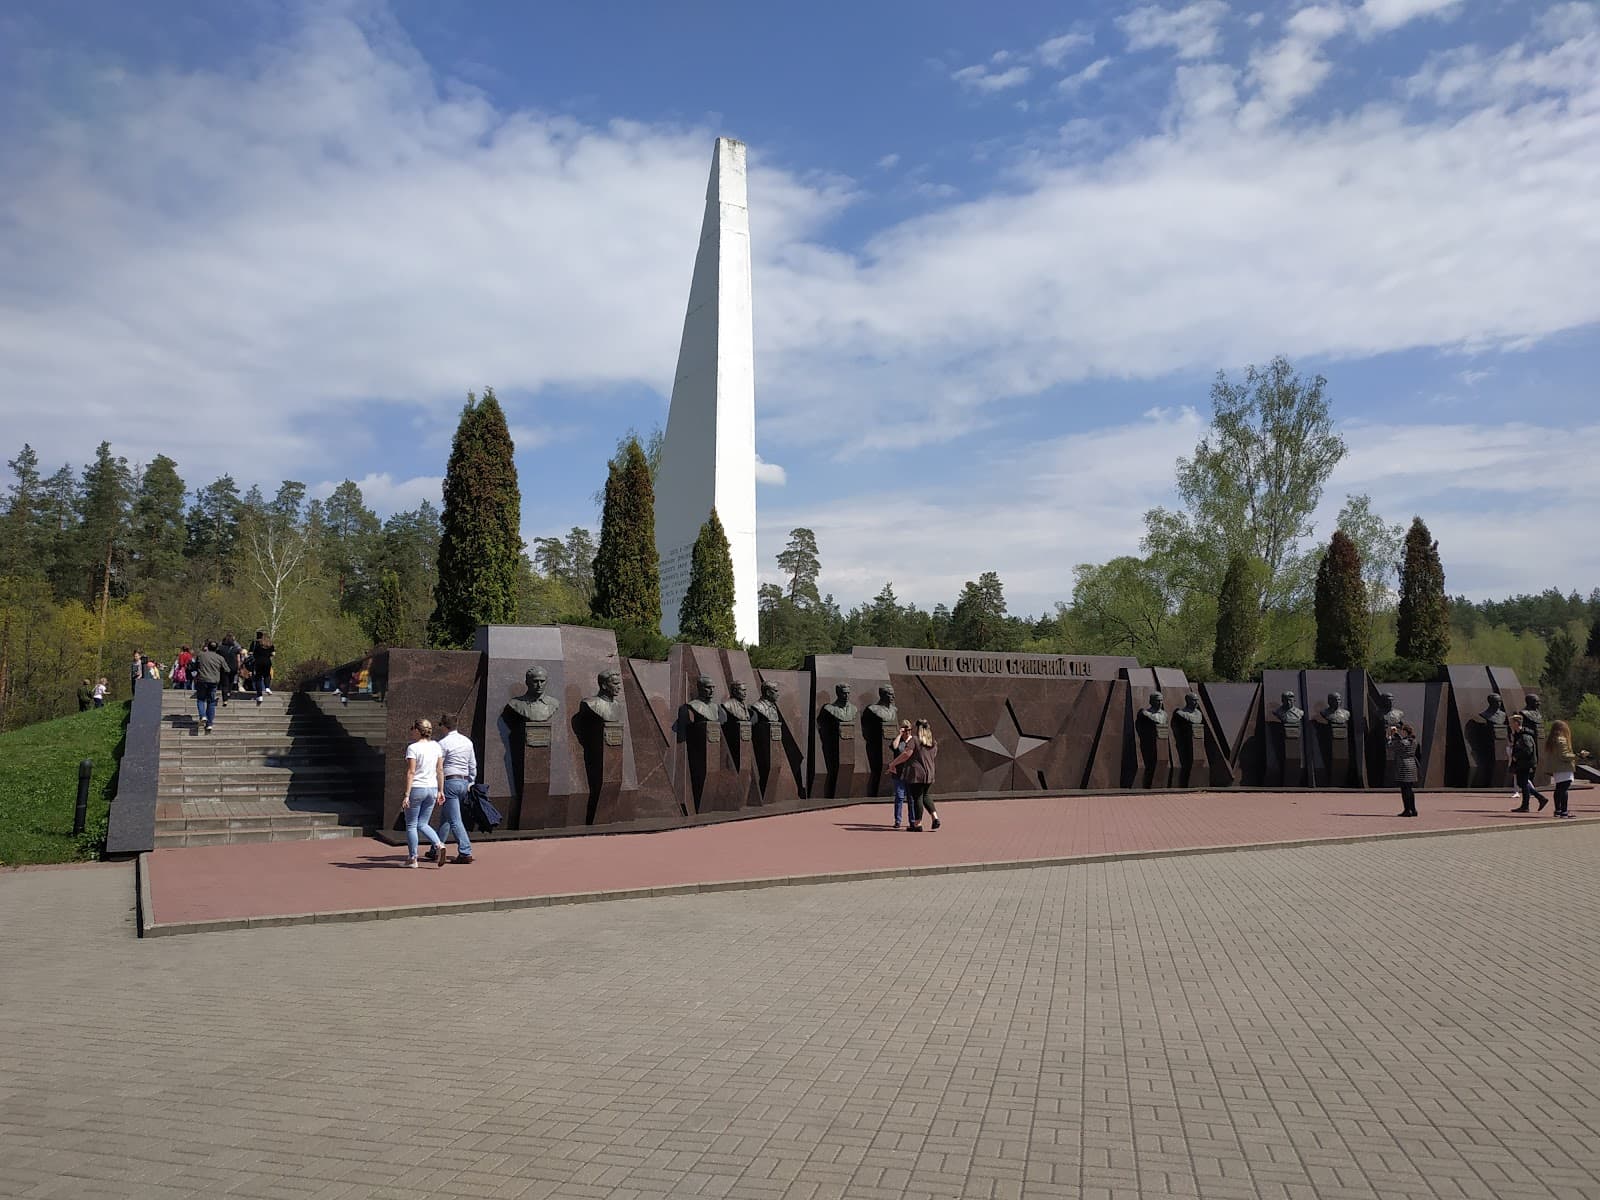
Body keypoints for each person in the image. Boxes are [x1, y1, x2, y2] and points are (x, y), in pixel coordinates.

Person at [430, 713, 476, 865]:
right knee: (446, 818)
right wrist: (471, 782)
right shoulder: (467, 742)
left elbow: (439, 767)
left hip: (449, 782)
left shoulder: (443, 744)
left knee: (455, 820)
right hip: (463, 782)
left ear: (444, 726)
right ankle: (435, 848)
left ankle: (465, 851)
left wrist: (438, 786)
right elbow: (472, 764)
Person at [402, 718, 447, 868]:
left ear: (417, 730)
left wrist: (407, 794)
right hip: (432, 788)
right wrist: (441, 790)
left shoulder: (413, 748)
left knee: (411, 824)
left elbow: (411, 772)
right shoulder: (436, 746)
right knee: (423, 823)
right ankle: (439, 844)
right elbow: (440, 770)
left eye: (412, 728)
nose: (411, 731)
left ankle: (413, 858)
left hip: (417, 788)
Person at [892, 718, 941, 832]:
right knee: (925, 795)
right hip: (929, 772)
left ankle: (917, 824)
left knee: (917, 797)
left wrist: (893, 764)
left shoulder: (914, 740)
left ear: (918, 729)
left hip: (916, 774)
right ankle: (935, 817)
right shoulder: (932, 741)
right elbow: (933, 755)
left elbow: (906, 754)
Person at [1510, 712, 1551, 813]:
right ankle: (1539, 799)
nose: (1510, 724)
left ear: (1516, 723)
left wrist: (1516, 756)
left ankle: (1526, 805)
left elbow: (1528, 750)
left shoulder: (1524, 736)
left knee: (1523, 784)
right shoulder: (1518, 735)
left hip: (1525, 763)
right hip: (1522, 763)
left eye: (1512, 722)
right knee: (1522, 783)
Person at [190, 640, 226, 734]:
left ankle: (203, 716)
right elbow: (227, 669)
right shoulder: (220, 658)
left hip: (202, 680)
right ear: (216, 648)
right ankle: (209, 724)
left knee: (201, 700)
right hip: (214, 681)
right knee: (211, 702)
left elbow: (195, 666)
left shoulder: (201, 655)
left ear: (208, 647)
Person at [1546, 719, 1577, 819]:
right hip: (1564, 768)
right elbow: (1564, 755)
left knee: (1558, 789)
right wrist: (1577, 756)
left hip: (1556, 769)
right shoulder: (1562, 740)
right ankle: (1564, 811)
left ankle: (1558, 810)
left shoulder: (1551, 740)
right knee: (1564, 790)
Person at [1388, 721, 1419, 817]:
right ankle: (1413, 809)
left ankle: (1407, 810)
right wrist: (1397, 736)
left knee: (1405, 790)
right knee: (1410, 789)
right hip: (1412, 765)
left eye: (1402, 731)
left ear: (1405, 732)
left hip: (1404, 766)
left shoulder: (1403, 742)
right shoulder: (1413, 741)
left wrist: (1390, 737)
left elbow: (1390, 747)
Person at [888, 719, 913, 828]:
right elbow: (894, 747)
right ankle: (898, 821)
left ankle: (912, 821)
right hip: (898, 773)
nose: (908, 732)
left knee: (911, 798)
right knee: (899, 796)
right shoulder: (899, 741)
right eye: (905, 730)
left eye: (909, 730)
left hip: (910, 774)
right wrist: (899, 734)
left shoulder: (913, 742)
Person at [218, 633, 244, 706]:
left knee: (224, 683)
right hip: (233, 667)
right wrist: (239, 667)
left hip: (224, 667)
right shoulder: (236, 649)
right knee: (231, 680)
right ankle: (229, 692)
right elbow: (238, 659)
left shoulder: (221, 648)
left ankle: (225, 699)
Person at [250, 630, 275, 703]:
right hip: (267, 661)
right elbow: (273, 653)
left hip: (258, 662)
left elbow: (253, 654)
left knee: (258, 678)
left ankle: (259, 695)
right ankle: (267, 687)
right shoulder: (270, 644)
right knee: (267, 675)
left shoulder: (257, 645)